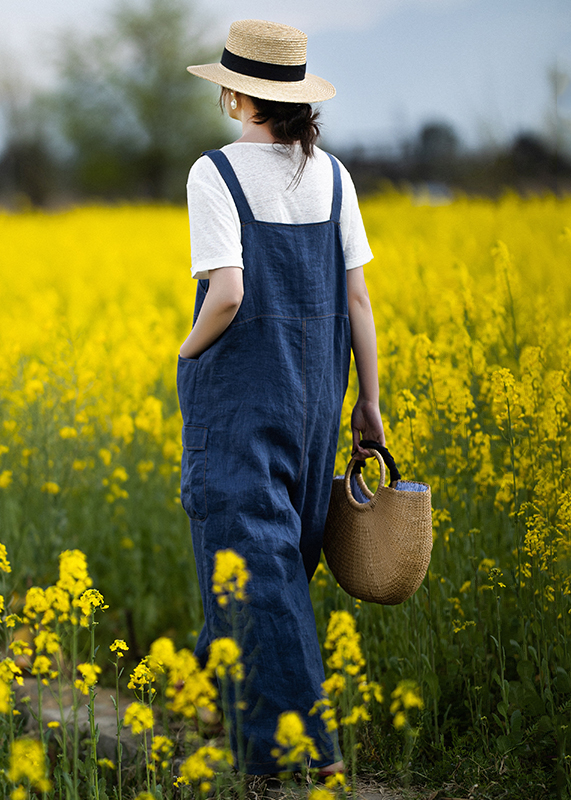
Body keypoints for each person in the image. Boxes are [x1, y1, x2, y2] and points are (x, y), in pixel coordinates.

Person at [177, 19, 384, 776]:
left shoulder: (215, 173)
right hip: (317, 392)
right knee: (278, 554)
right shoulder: (333, 176)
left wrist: (185, 349)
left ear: (237, 93)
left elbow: (227, 294)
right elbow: (358, 301)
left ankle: (305, 752)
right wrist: (370, 403)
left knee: (251, 558)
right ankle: (221, 705)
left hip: (240, 389)